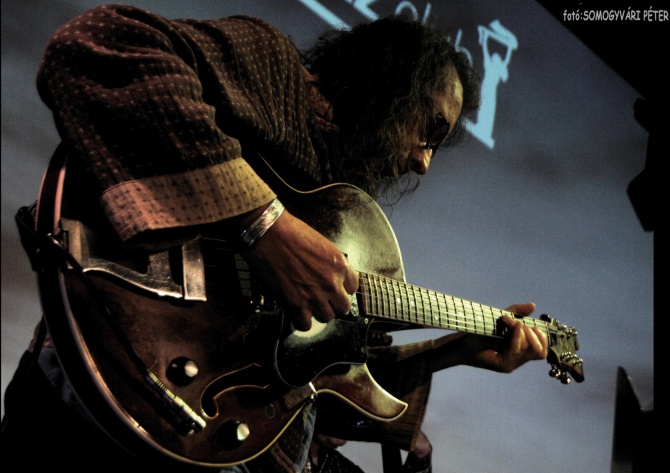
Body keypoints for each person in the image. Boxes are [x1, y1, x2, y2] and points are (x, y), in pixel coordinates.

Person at [1, 4, 548, 472]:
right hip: (91, 406)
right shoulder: (277, 75)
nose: (423, 163)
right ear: (393, 82)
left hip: (196, 443)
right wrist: (264, 227)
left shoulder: (340, 204)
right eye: (430, 130)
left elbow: (324, 379)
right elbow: (99, 45)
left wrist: (454, 350)